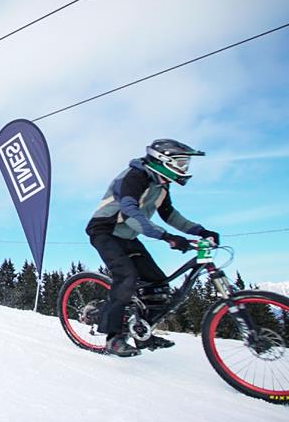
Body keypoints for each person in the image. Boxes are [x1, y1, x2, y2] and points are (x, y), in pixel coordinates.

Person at [85, 139, 220, 357]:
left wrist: (200, 231)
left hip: (127, 235)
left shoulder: (161, 184)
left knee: (157, 284)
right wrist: (166, 237)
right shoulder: (134, 177)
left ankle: (142, 334)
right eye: (182, 163)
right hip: (105, 231)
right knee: (126, 277)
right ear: (164, 160)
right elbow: (129, 212)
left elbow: (170, 215)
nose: (185, 169)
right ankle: (114, 338)